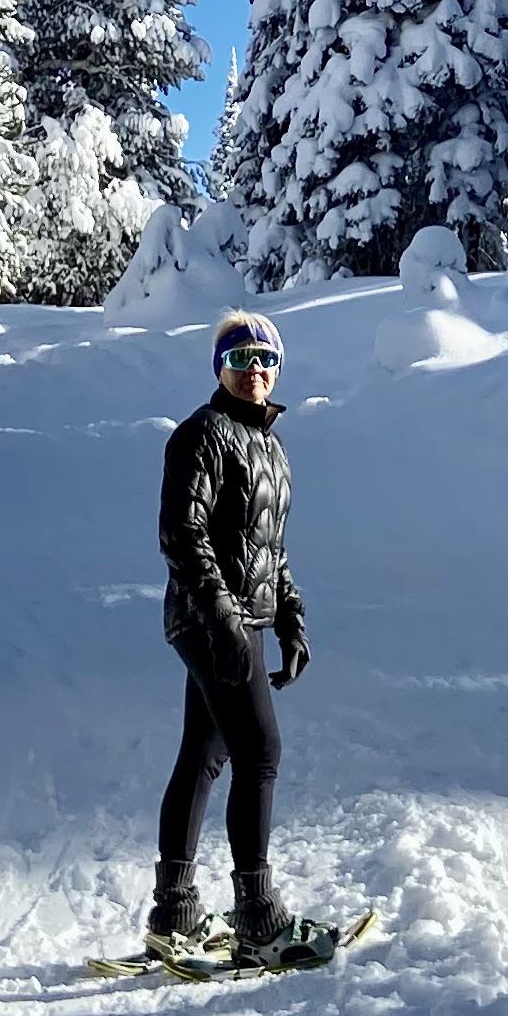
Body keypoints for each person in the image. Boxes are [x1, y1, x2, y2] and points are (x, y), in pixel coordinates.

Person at [148, 308, 311, 957]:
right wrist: (219, 614)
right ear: (220, 367)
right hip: (210, 616)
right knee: (260, 751)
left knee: (207, 752)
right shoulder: (201, 434)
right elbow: (180, 533)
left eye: (265, 359)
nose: (255, 371)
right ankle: (256, 911)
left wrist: (291, 617)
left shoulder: (270, 446)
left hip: (241, 615)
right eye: (240, 359)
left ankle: (175, 909)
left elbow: (270, 547)